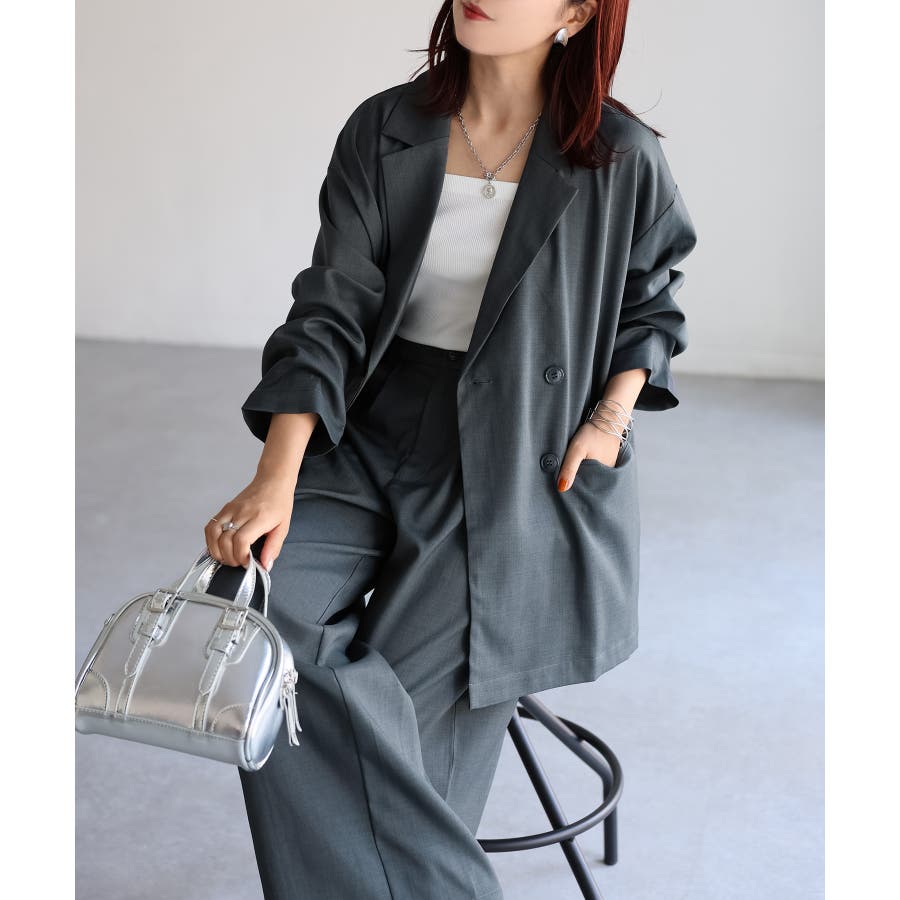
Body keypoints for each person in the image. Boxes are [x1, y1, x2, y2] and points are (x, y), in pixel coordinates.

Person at [204, 1, 698, 897]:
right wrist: (276, 475)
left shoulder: (618, 155)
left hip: (513, 458)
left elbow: (651, 303)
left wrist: (608, 420)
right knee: (266, 621)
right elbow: (330, 309)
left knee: (409, 724)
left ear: (578, 11)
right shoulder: (385, 128)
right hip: (370, 427)